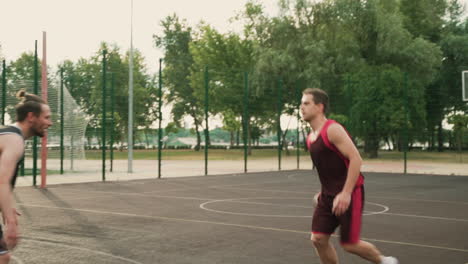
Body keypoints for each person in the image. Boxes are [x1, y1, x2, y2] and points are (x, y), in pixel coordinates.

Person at [301, 88, 398, 264]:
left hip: (350, 193)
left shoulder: (333, 129)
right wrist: (323, 193)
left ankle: (385, 261)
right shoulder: (310, 138)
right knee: (318, 239)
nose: (301, 107)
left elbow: (356, 159)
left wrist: (345, 193)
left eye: (306, 103)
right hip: (328, 196)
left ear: (320, 107)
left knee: (349, 244)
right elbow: (329, 170)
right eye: (301, 103)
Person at [0, 90, 52, 263]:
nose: (49, 123)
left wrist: (5, 205)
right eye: (46, 117)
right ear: (31, 116)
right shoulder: (14, 140)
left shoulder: (8, 134)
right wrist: (11, 221)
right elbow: (2, 180)